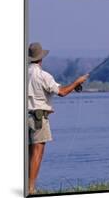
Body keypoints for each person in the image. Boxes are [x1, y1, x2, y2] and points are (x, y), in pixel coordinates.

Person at [27, 42, 89, 194]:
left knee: (28, 153)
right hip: (38, 119)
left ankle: (26, 187)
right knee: (37, 154)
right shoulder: (43, 75)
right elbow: (61, 92)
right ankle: (31, 189)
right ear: (41, 58)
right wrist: (77, 82)